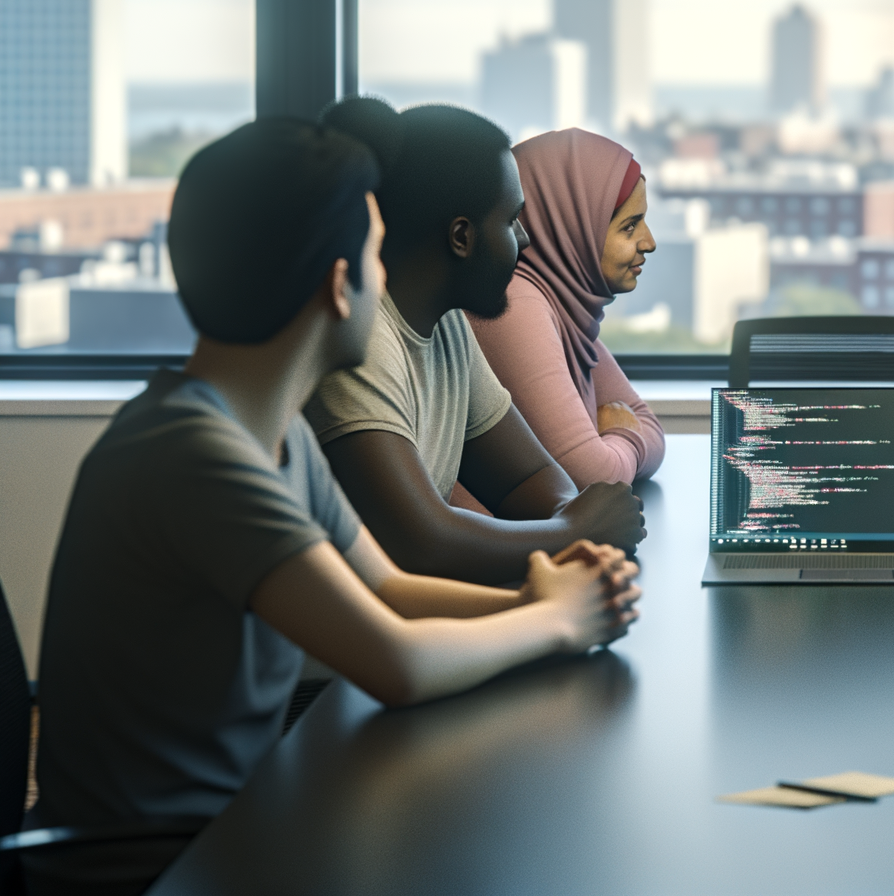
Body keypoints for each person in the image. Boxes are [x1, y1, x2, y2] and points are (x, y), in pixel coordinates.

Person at [31, 118, 641, 893]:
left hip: (241, 826)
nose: (388, 283)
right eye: (378, 255)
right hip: (160, 868)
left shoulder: (275, 435)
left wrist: (542, 599)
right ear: (338, 282)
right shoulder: (198, 457)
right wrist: (557, 619)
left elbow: (389, 588)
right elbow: (394, 662)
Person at [304, 99, 646, 587]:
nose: (524, 239)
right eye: (510, 220)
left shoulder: (448, 327)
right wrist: (574, 531)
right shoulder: (363, 343)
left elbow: (529, 480)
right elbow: (420, 544)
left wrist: (570, 522)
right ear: (461, 238)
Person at [467, 127, 665, 491]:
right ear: (572, 229)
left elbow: (649, 425)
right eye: (629, 227)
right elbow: (593, 478)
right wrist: (623, 434)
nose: (649, 242)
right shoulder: (517, 306)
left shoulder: (562, 308)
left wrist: (619, 444)